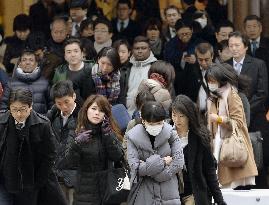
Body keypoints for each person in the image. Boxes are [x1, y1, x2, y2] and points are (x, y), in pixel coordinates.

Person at [58, 94, 124, 205]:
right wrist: (77, 143)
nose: (97, 113)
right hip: (85, 191)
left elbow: (118, 156)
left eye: (101, 110)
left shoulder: (109, 130)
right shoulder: (76, 128)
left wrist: (108, 135)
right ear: (86, 109)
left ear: (106, 115)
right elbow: (68, 162)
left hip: (107, 189)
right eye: (93, 109)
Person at [205, 63, 258, 189]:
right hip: (217, 147)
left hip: (232, 149)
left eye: (213, 80)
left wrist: (219, 119)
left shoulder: (232, 95)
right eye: (208, 81)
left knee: (235, 194)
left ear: (221, 80)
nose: (210, 83)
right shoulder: (213, 98)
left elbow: (239, 122)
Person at [0, 88, 56, 205]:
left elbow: (49, 156)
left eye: (22, 110)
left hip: (29, 184)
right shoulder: (2, 122)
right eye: (14, 110)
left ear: (31, 106)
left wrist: (39, 182)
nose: (18, 114)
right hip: (5, 181)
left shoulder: (43, 125)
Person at [171, 95, 226, 205]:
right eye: (174, 115)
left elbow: (209, 171)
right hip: (171, 195)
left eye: (181, 116)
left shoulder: (200, 137)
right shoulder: (166, 134)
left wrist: (220, 201)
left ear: (189, 116)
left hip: (194, 194)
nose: (177, 120)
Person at [126, 101, 184, 204]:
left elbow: (179, 163)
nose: (156, 126)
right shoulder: (132, 136)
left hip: (169, 192)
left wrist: (158, 175)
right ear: (143, 121)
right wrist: (163, 162)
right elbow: (135, 167)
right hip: (144, 193)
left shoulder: (171, 133)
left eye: (159, 123)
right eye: (151, 124)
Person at [47, 80, 80, 205]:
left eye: (67, 102)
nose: (64, 107)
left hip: (76, 175)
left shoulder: (84, 116)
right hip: (56, 174)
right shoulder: (53, 114)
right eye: (59, 103)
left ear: (74, 96)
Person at [1, 49, 51, 114]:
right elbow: (3, 107)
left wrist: (45, 121)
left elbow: (52, 108)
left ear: (36, 64)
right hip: (16, 123)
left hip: (40, 123)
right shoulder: (11, 84)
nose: (27, 63)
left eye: (31, 60)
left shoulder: (45, 83)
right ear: (20, 64)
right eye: (24, 60)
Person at [123, 36, 157, 115]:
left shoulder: (156, 67)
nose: (140, 51)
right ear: (132, 50)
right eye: (137, 48)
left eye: (143, 48)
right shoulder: (126, 67)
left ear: (149, 49)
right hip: (127, 113)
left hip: (149, 114)